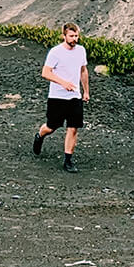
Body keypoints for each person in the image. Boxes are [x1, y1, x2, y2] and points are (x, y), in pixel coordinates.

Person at [32, 22, 89, 172]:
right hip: (57, 97)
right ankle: (40, 136)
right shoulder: (55, 52)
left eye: (76, 36)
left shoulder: (81, 51)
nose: (74, 39)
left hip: (75, 96)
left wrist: (86, 91)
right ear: (64, 36)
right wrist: (63, 83)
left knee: (73, 127)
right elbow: (46, 73)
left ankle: (68, 160)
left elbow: (83, 70)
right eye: (71, 36)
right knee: (52, 126)